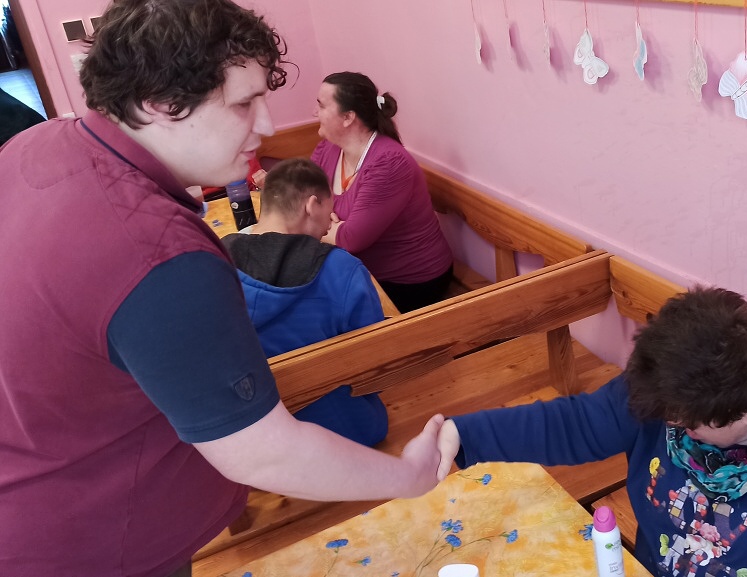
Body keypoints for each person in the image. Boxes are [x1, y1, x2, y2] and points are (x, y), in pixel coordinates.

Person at [0, 1, 443, 576]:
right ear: (159, 101)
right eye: (243, 103)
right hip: (93, 543)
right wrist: (408, 476)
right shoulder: (159, 256)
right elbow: (263, 451)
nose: (266, 124)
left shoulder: (38, 142)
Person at [436, 287, 747, 577]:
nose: (669, 427)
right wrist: (459, 434)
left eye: (683, 424)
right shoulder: (672, 389)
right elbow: (578, 423)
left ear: (743, 415)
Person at [222, 158, 388, 447]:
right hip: (346, 432)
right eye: (329, 210)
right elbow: (377, 365)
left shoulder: (214, 261)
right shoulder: (343, 270)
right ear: (312, 205)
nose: (330, 223)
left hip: (252, 441)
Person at [311, 71, 454, 313]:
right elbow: (305, 196)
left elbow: (352, 238)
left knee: (316, 310)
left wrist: (318, 221)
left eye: (321, 106)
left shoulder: (388, 163)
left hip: (410, 282)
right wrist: (328, 224)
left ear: (348, 117)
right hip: (360, 272)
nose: (315, 112)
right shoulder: (329, 147)